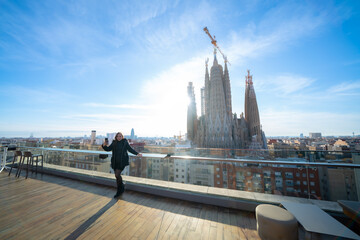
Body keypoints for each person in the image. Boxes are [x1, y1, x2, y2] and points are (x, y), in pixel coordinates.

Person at [102, 132, 142, 198]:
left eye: (120, 136)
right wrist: (104, 144)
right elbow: (108, 149)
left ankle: (120, 189)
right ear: (116, 137)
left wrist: (137, 153)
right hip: (115, 162)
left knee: (117, 175)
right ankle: (120, 189)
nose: (119, 137)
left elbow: (130, 149)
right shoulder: (114, 142)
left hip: (122, 162)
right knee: (117, 177)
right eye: (118, 136)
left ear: (122, 137)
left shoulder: (125, 142)